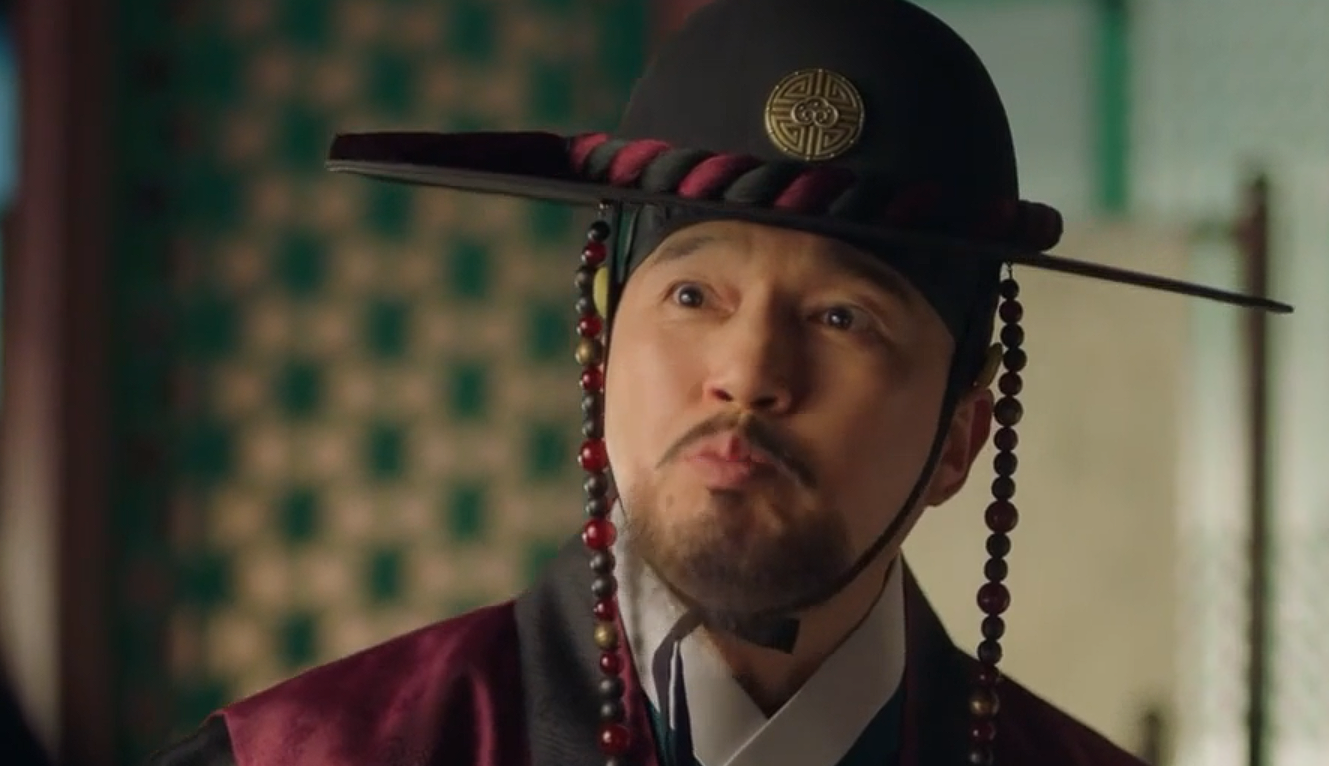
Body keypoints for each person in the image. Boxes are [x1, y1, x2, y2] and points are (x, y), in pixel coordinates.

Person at [150, 1, 1290, 765]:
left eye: (843, 319)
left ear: (960, 435)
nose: (746, 374)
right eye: (694, 295)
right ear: (603, 345)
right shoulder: (309, 753)